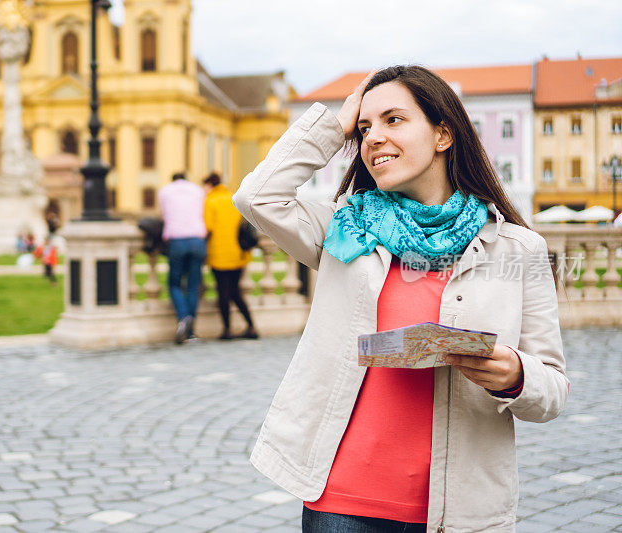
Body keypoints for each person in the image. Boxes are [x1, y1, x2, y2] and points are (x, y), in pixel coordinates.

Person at [232, 66, 568, 533]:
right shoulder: (345, 229)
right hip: (343, 503)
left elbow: (552, 391)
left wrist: (515, 375)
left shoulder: (519, 249)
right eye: (366, 128)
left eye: (394, 120)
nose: (372, 138)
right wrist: (336, 124)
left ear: (443, 134)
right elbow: (258, 197)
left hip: (460, 509)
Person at [202, 172, 258, 340]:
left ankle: (227, 329)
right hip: (238, 253)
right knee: (236, 292)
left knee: (223, 294)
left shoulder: (210, 201)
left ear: (209, 185)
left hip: (219, 255)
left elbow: (208, 227)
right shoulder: (232, 197)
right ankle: (251, 326)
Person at [158, 172, 207, 344]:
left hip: (177, 240)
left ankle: (184, 317)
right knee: (193, 286)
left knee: (174, 284)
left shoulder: (165, 191)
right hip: (197, 239)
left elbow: (164, 216)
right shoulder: (198, 190)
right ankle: (191, 331)